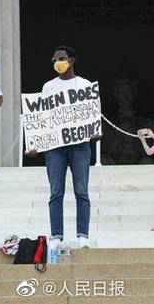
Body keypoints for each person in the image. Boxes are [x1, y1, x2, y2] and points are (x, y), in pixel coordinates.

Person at [28, 46, 98, 250]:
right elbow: (42, 118)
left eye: (61, 58)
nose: (57, 62)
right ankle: (56, 236)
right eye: (54, 60)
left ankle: (82, 235)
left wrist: (94, 129)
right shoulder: (48, 87)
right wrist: (35, 144)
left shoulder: (84, 85)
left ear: (72, 60)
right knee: (56, 192)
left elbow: (92, 113)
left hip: (79, 145)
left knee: (81, 191)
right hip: (55, 147)